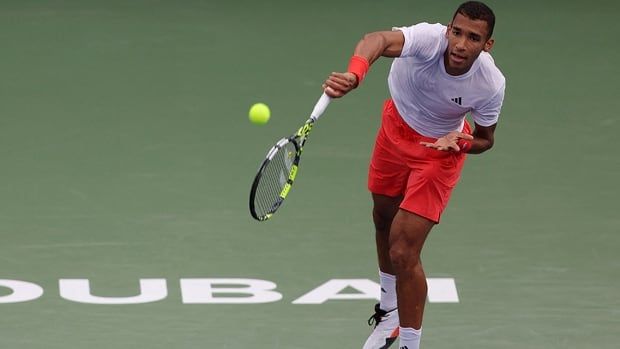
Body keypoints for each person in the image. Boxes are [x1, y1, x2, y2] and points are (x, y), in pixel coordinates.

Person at [322, 2, 505, 348]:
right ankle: (389, 311)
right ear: (449, 29)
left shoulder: (490, 83)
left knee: (404, 251)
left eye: (473, 38)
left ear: (487, 45)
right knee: (382, 219)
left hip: (440, 152)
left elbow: (485, 139)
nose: (460, 44)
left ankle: (410, 343)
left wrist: (461, 141)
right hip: (395, 129)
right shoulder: (427, 39)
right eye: (457, 32)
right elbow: (375, 40)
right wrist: (355, 74)